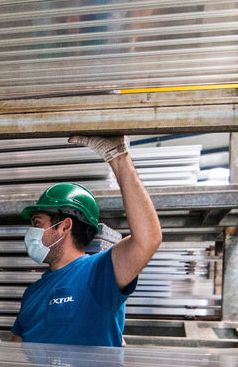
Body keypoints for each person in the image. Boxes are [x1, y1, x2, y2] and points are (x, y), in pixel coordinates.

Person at [10, 135, 162, 347]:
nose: (31, 233)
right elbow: (18, 353)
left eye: (37, 223)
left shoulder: (99, 272)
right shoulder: (32, 293)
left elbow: (148, 239)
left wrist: (118, 158)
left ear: (64, 226)